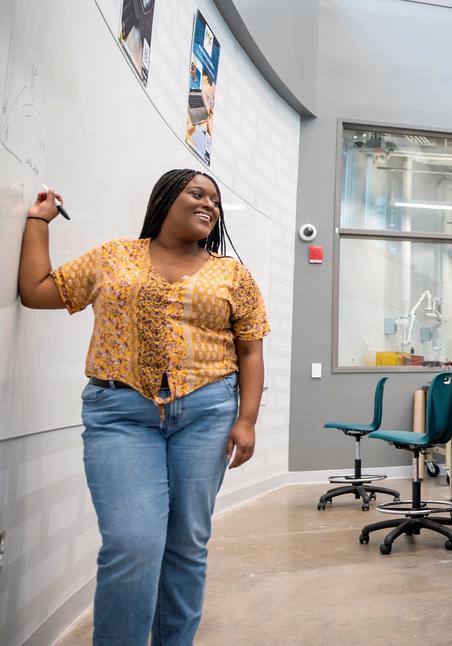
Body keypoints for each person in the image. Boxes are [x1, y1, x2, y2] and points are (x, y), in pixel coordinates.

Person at [18, 169, 269, 644]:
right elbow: (38, 292)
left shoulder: (231, 273)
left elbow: (251, 349)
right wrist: (38, 221)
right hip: (119, 416)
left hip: (208, 414)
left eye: (214, 201)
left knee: (187, 545)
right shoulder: (115, 256)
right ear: (165, 199)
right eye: (197, 193)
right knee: (133, 544)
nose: (208, 205)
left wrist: (247, 420)